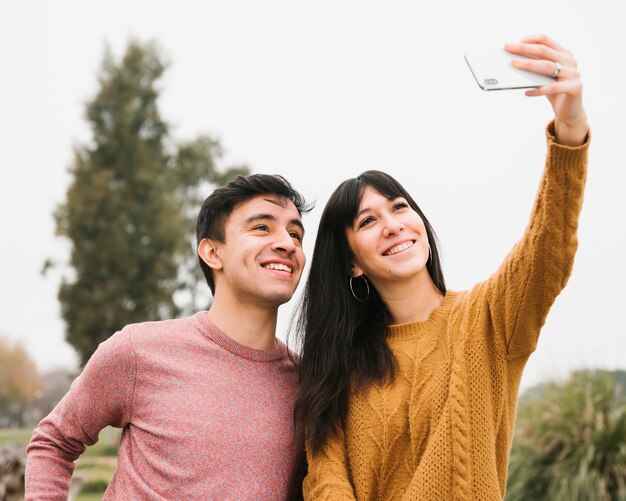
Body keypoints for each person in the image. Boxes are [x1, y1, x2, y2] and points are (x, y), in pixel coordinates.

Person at [295, 35, 590, 500]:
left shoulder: (487, 320)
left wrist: (569, 129)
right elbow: (325, 481)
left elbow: (547, 248)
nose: (392, 225)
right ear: (351, 263)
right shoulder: (337, 369)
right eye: (368, 220)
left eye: (399, 207)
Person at [26, 174, 311, 499]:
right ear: (212, 253)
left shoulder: (309, 384)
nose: (287, 243)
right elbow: (54, 441)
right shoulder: (139, 351)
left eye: (295, 234)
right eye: (262, 227)